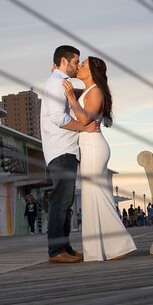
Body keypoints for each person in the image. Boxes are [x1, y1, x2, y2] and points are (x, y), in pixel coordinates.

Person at [66, 56, 136, 261]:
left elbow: (85, 119)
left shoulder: (95, 91)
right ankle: (102, 249)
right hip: (88, 147)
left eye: (83, 64)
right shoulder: (88, 90)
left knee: (98, 196)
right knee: (92, 197)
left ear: (92, 71)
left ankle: (119, 245)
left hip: (94, 147)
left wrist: (71, 98)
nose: (79, 66)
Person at [41, 45, 89, 263]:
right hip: (61, 150)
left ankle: (65, 247)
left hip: (65, 150)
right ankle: (56, 251)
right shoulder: (55, 83)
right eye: (75, 62)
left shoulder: (61, 83)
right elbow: (57, 117)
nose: (77, 66)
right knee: (60, 201)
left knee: (66, 202)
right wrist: (84, 126)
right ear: (63, 61)